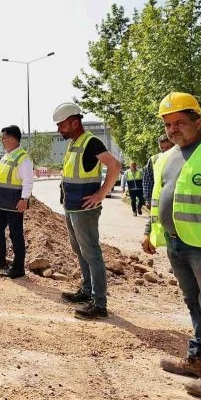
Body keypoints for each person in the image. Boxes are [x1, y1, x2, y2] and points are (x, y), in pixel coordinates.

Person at [141, 92, 201, 399]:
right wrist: (150, 230)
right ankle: (198, 357)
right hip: (176, 244)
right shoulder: (166, 157)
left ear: (198, 122)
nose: (173, 129)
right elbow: (157, 198)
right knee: (195, 303)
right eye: (168, 124)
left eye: (180, 122)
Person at [53, 102, 121, 319]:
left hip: (84, 210)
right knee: (81, 251)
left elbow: (115, 165)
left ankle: (99, 304)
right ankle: (87, 291)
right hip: (72, 208)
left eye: (62, 125)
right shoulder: (75, 143)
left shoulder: (91, 142)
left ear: (74, 122)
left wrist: (101, 194)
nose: (59, 130)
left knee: (91, 253)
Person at [0, 125, 33, 278]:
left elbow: (28, 181)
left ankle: (18, 268)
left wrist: (24, 199)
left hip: (15, 203)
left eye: (3, 138)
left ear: (12, 139)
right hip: (2, 202)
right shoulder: (6, 156)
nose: (2, 141)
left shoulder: (23, 158)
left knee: (15, 234)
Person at [143, 133, 175, 210]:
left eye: (168, 147)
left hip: (175, 199)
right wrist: (148, 199)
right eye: (162, 148)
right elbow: (148, 181)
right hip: (159, 199)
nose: (165, 150)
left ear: (174, 145)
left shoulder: (181, 157)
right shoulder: (154, 159)